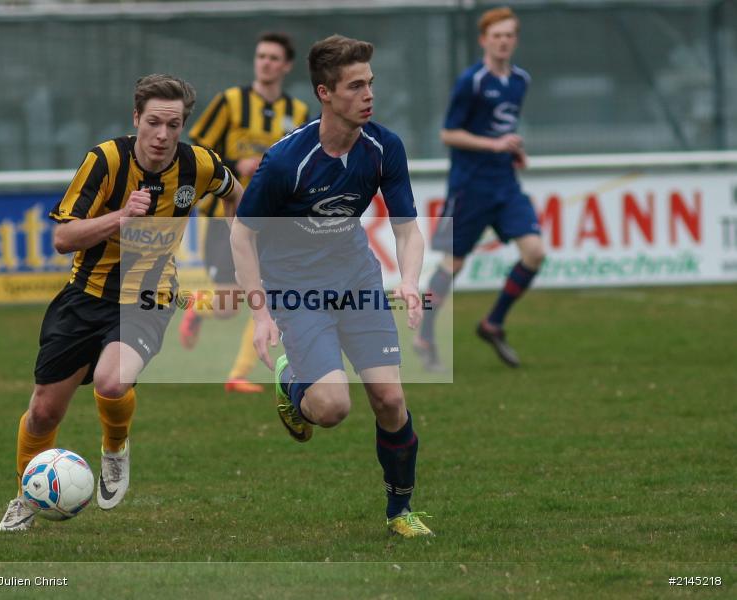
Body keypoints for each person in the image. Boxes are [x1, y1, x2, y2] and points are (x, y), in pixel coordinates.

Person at [0, 74, 242, 531]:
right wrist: (120, 217)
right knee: (44, 411)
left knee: (112, 382)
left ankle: (115, 447)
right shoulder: (105, 160)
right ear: (136, 119)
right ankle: (26, 497)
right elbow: (61, 238)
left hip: (148, 297)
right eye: (153, 122)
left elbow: (235, 195)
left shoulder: (199, 166)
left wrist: (236, 255)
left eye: (174, 125)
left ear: (184, 125)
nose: (163, 135)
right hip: (84, 296)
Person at [230, 35, 433, 538]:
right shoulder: (285, 161)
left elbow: (407, 228)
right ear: (325, 92)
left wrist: (408, 280)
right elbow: (241, 235)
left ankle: (400, 512)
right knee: (332, 409)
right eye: (355, 86)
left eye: (371, 84)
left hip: (356, 279)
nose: (369, 95)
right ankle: (290, 380)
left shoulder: (384, 146)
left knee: (389, 400)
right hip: (296, 289)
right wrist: (261, 316)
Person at [416, 6, 545, 370]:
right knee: (452, 264)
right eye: (496, 35)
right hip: (469, 187)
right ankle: (425, 335)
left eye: (509, 35)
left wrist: (513, 150)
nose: (503, 41)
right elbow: (448, 133)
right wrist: (493, 145)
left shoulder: (521, 80)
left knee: (534, 252)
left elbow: (501, 128)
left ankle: (492, 323)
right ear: (483, 40)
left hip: (505, 184)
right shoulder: (471, 81)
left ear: (515, 40)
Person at [182, 31, 310, 394]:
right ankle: (198, 305)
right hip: (228, 214)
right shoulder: (230, 102)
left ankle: (238, 374)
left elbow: (298, 162)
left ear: (285, 66)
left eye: (273, 57)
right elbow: (199, 149)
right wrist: (238, 163)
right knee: (226, 304)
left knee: (263, 295)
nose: (265, 63)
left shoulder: (297, 113)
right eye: (261, 56)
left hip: (270, 218)